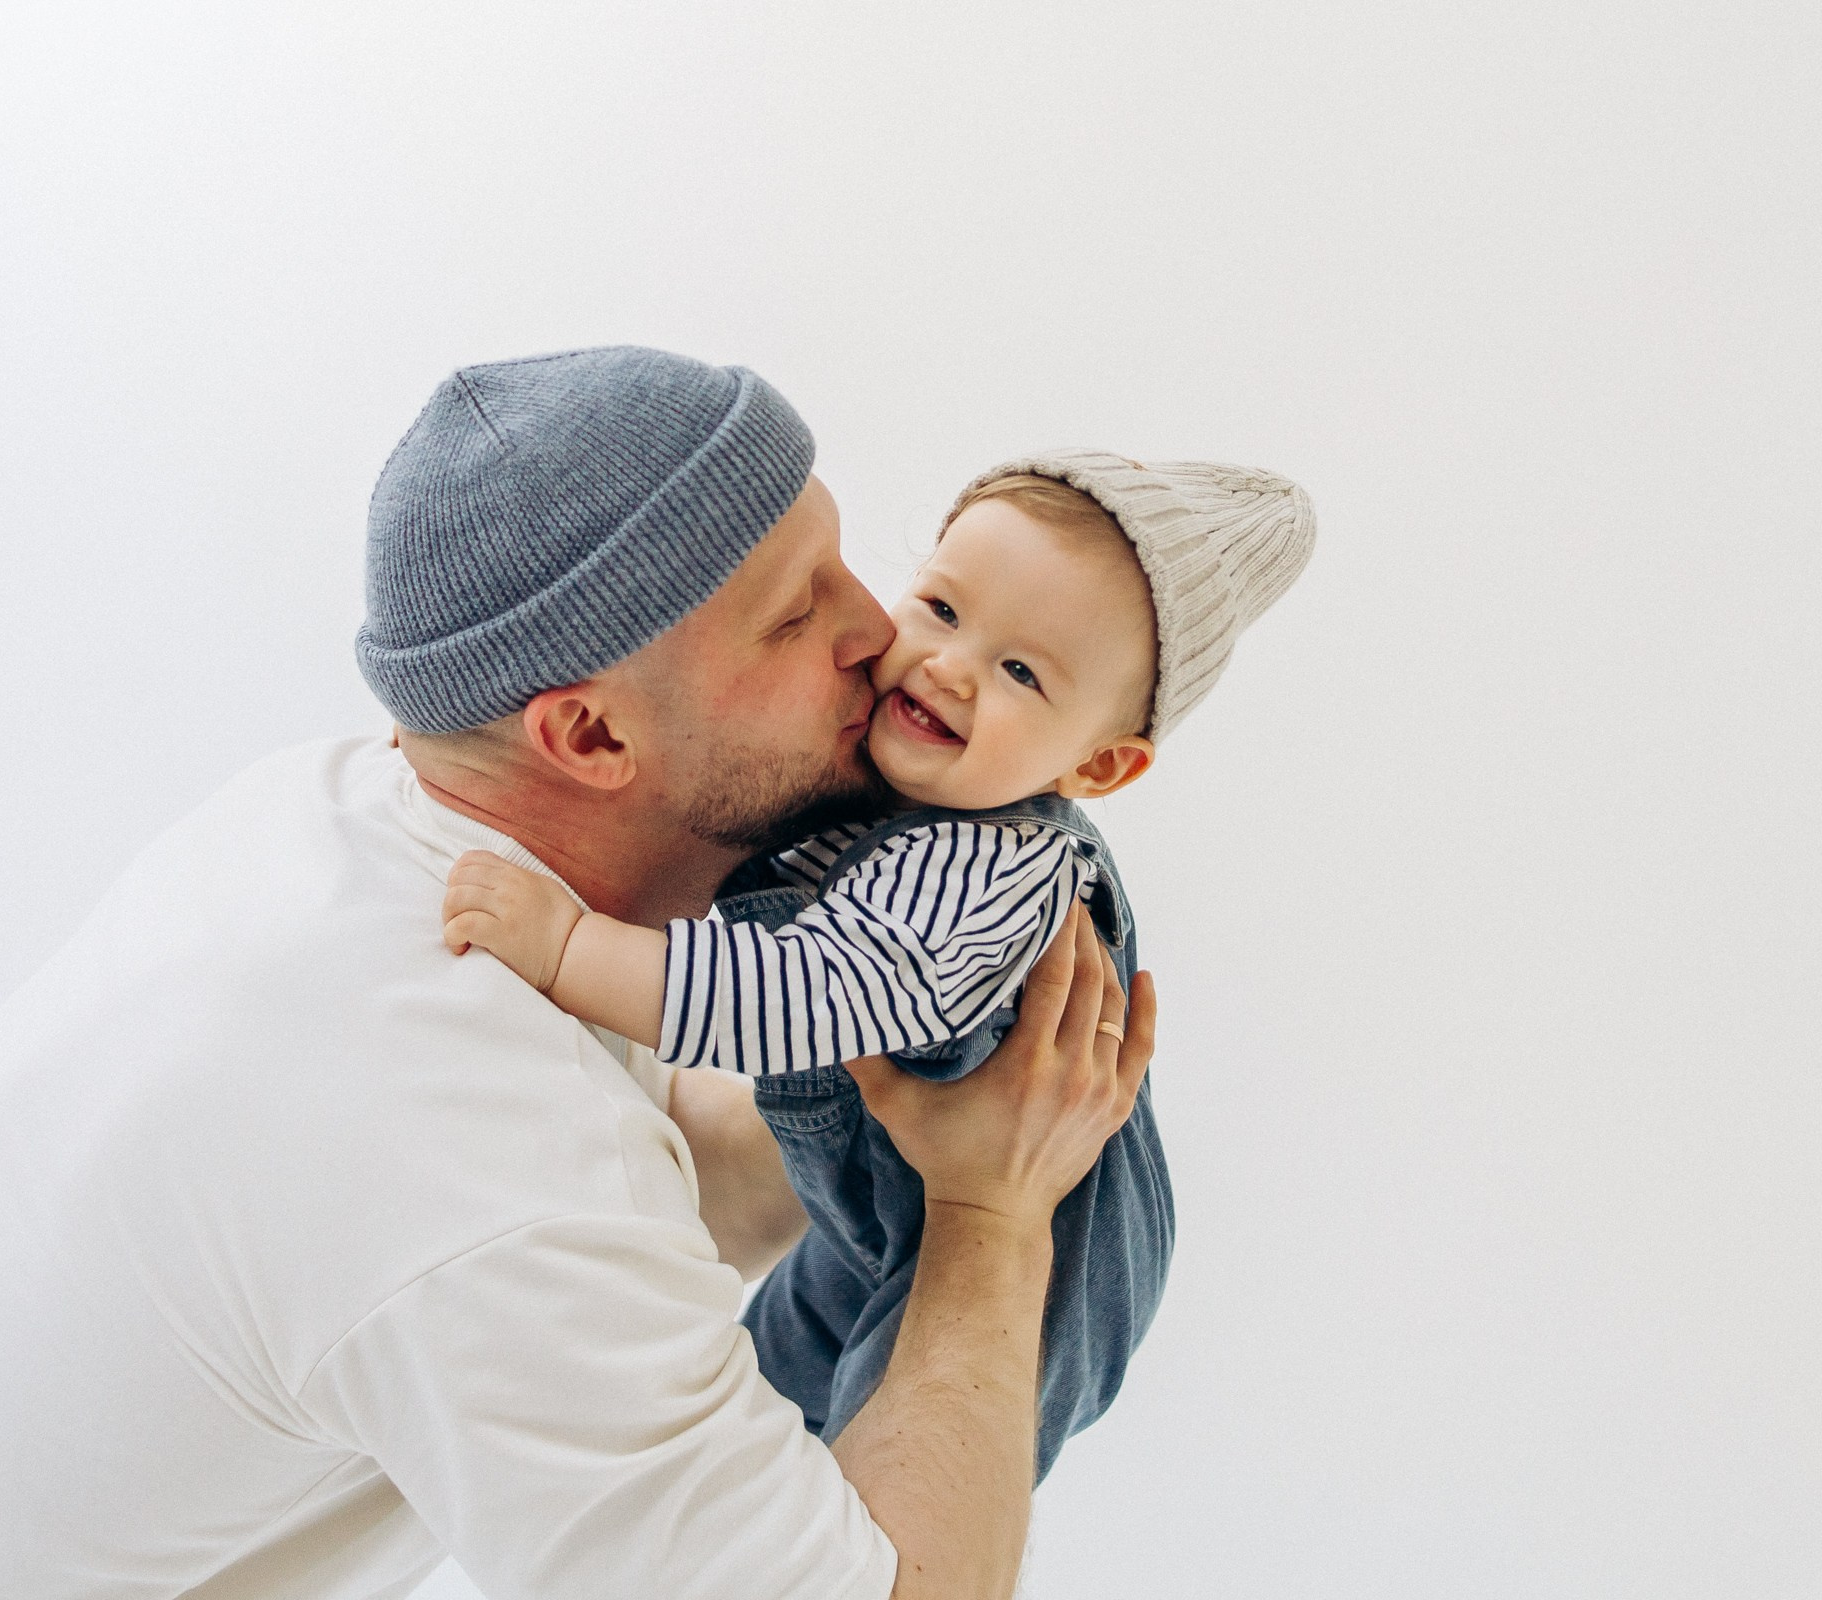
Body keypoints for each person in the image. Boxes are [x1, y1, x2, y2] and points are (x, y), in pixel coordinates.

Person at [0, 346, 1160, 1600]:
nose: (884, 634)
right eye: (798, 613)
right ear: (586, 732)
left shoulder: (343, 824)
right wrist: (998, 1226)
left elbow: (618, 1160)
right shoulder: (463, 1147)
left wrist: (909, 1084)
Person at [445, 451, 1314, 1471]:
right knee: (749, 1420)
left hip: (1034, 1271)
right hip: (875, 1210)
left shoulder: (990, 867)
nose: (949, 666)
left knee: (880, 1490)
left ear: (1095, 765)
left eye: (1021, 672)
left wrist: (568, 948)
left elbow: (793, 1001)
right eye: (942, 609)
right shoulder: (910, 786)